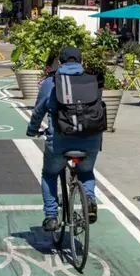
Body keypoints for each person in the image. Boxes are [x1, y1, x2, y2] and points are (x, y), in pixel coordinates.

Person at [26, 47, 105, 232]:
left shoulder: (51, 83)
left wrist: (32, 130)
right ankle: (90, 199)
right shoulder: (91, 81)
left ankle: (52, 217)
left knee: (50, 174)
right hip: (91, 140)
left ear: (60, 63)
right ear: (81, 62)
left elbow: (39, 111)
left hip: (60, 141)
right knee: (85, 173)